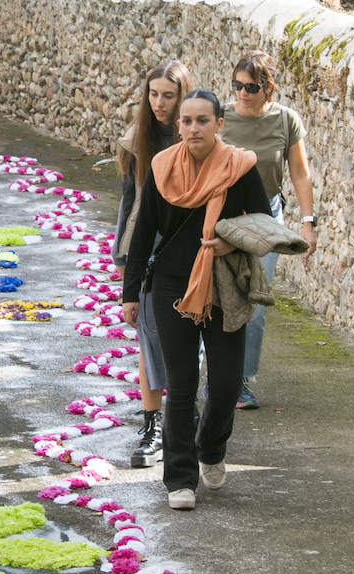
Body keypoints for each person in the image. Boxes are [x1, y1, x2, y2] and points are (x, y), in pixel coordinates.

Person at [122, 89, 270, 510]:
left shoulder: (240, 168)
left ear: (219, 125)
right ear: (178, 126)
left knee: (224, 384)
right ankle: (180, 479)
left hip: (222, 285)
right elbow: (144, 230)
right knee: (182, 383)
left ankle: (211, 449)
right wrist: (130, 293)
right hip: (170, 285)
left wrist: (231, 240)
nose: (192, 129)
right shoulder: (162, 166)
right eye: (186, 121)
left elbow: (262, 223)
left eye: (202, 121)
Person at [221, 51, 317, 409]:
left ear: (268, 88)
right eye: (238, 85)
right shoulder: (221, 118)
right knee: (218, 298)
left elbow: (300, 174)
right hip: (224, 218)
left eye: (251, 87)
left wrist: (308, 223)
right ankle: (214, 376)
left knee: (256, 304)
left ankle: (241, 381)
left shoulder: (285, 120)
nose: (243, 92)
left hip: (267, 220)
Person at [112, 59, 194, 468]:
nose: (159, 103)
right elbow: (129, 200)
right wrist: (122, 255)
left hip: (187, 247)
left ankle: (185, 411)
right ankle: (152, 424)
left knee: (184, 335)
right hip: (146, 247)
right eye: (154, 94)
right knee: (147, 336)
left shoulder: (194, 135)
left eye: (168, 95)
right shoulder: (137, 138)